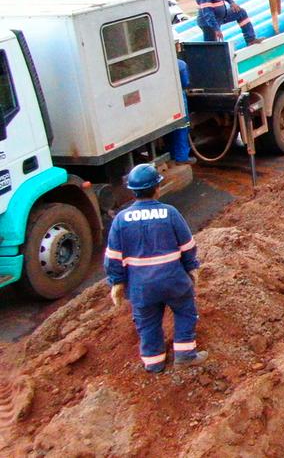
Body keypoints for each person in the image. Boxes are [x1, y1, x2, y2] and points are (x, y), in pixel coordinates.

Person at [105, 164, 207, 373]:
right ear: (157, 188)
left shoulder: (121, 220)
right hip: (173, 280)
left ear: (132, 191)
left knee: (148, 322)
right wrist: (191, 268)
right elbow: (187, 245)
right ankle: (185, 355)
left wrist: (116, 282)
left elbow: (113, 256)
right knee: (185, 311)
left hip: (141, 287)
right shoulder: (169, 213)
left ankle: (154, 363)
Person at [167, 56, 195, 165]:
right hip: (178, 98)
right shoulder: (180, 65)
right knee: (182, 127)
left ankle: (172, 154)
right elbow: (185, 82)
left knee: (170, 131)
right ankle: (182, 157)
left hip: (165, 99)